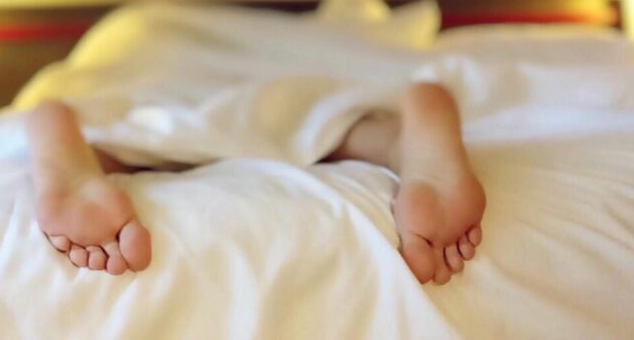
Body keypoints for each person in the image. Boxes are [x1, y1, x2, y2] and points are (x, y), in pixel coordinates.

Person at [26, 81, 485, 285]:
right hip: (300, 97)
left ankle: (69, 147)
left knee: (135, 137)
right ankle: (405, 139)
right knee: (335, 129)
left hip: (156, 104)